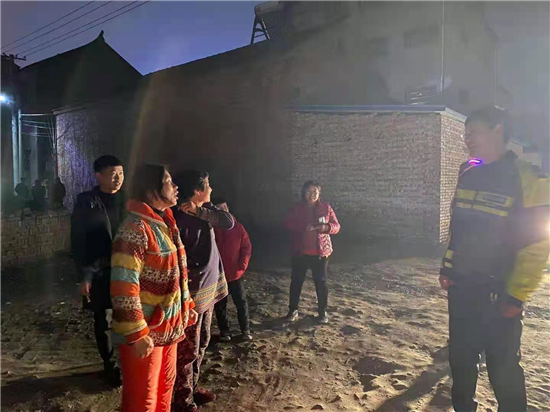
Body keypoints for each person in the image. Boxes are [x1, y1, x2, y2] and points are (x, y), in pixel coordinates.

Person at [439, 106, 549, 412]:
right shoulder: (468, 173)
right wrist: (448, 266)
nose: (467, 139)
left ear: (498, 129)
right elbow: (458, 228)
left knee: (503, 368)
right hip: (462, 289)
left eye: (473, 132)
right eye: (465, 133)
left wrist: (516, 295)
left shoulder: (528, 177)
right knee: (461, 360)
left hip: (499, 293)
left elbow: (538, 244)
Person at [111, 163, 196, 412]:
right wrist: (137, 333)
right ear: (151, 190)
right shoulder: (135, 230)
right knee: (143, 401)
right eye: (169, 181)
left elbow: (177, 273)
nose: (176, 187)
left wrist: (187, 305)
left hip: (167, 326)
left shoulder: (165, 223)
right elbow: (123, 286)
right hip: (145, 332)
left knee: (164, 391)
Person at [171, 170, 233, 412]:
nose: (211, 189)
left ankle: (193, 388)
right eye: (208, 186)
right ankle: (182, 401)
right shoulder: (179, 219)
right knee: (187, 351)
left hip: (209, 291)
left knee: (203, 341)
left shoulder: (205, 211)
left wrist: (199, 211)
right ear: (197, 191)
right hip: (193, 296)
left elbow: (229, 221)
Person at [71, 155, 126, 386]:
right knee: (103, 319)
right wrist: (84, 276)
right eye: (113, 174)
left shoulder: (128, 200)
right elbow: (78, 240)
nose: (118, 178)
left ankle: (131, 362)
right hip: (99, 270)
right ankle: (110, 365)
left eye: (121, 173)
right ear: (98, 176)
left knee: (131, 315)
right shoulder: (87, 202)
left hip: (127, 270)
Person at [283, 180, 341, 324]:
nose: (312, 195)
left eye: (315, 192)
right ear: (304, 193)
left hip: (321, 252)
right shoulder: (297, 208)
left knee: (321, 282)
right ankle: (293, 310)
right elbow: (287, 223)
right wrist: (303, 226)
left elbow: (336, 226)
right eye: (309, 191)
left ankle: (322, 312)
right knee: (296, 282)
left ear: (319, 193)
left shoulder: (326, 208)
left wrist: (326, 228)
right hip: (300, 252)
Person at [212, 197, 253, 342]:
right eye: (219, 209)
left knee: (241, 303)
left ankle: (245, 329)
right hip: (218, 274)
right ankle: (225, 331)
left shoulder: (238, 227)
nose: (223, 211)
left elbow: (246, 247)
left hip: (235, 274)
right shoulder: (212, 228)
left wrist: (242, 265)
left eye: (225, 208)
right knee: (220, 305)